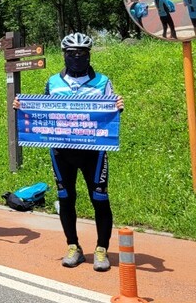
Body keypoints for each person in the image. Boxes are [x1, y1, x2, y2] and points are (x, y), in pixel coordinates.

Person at [15, 32, 124, 272]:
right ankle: (73, 246)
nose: (77, 57)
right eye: (72, 53)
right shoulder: (53, 82)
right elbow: (42, 112)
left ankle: (101, 249)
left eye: (82, 53)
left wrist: (118, 107)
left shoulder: (103, 81)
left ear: (88, 55)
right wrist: (24, 108)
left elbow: (111, 113)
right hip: (61, 151)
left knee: (100, 198)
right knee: (66, 198)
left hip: (93, 152)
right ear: (64, 55)